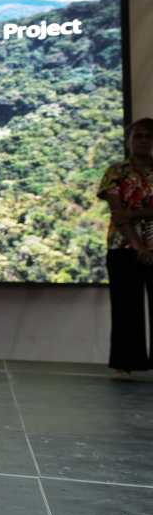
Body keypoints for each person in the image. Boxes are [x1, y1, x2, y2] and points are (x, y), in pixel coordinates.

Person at [98, 118, 153, 381]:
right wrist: (139, 246)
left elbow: (126, 213)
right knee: (125, 309)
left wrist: (135, 212)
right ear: (129, 140)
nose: (143, 140)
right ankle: (124, 366)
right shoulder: (115, 172)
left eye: (148, 136)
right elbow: (118, 216)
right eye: (138, 136)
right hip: (123, 248)